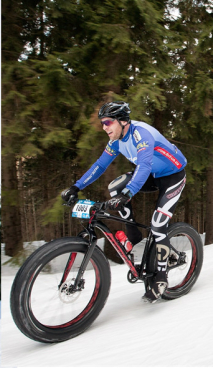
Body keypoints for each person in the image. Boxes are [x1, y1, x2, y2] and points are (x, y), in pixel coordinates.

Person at [60, 101, 187, 304]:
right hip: (153, 175)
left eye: (108, 122)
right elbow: (100, 165)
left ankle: (161, 278)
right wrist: (76, 187)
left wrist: (128, 194)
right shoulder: (116, 140)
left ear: (122, 121)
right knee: (114, 187)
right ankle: (133, 233)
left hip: (173, 176)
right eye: (102, 123)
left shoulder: (141, 134)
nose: (104, 127)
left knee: (158, 224)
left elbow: (144, 165)